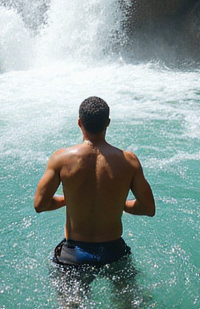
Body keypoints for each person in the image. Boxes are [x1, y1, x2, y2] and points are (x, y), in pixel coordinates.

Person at [34, 96, 155, 268]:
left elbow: (40, 204)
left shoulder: (61, 158)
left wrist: (68, 199)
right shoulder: (129, 161)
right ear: (108, 123)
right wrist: (118, 203)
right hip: (113, 251)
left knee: (68, 286)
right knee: (126, 286)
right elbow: (148, 208)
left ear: (79, 122)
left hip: (74, 253)